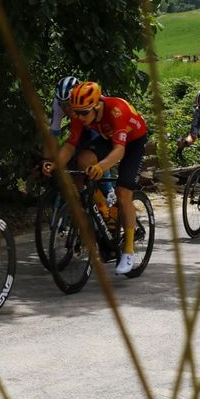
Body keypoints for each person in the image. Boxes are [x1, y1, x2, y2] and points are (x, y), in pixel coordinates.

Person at [51, 81, 149, 275]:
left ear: (97, 106)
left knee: (123, 194)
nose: (78, 117)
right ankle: (104, 210)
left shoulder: (116, 110)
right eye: (76, 113)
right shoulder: (82, 113)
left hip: (132, 142)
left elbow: (120, 150)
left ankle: (128, 250)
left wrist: (101, 167)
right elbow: (70, 145)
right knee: (83, 159)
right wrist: (55, 164)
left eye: (83, 113)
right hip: (108, 137)